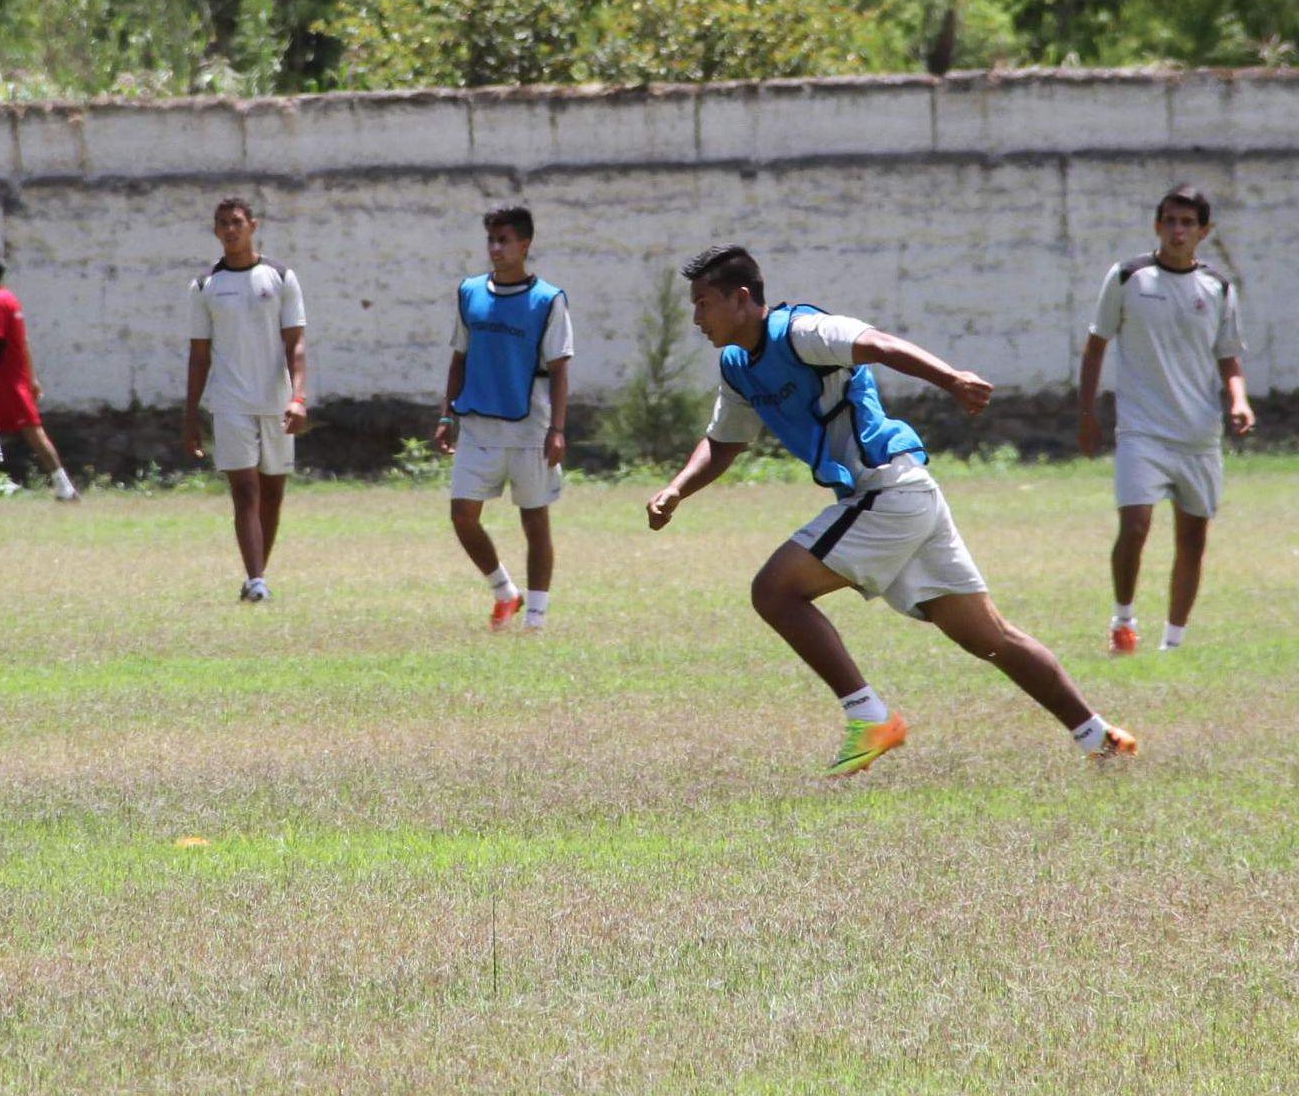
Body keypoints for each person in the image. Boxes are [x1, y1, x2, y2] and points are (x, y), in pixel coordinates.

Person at [647, 245, 1136, 775]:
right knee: (990, 638)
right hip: (900, 495)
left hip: (887, 491)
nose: (696, 318)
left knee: (774, 590)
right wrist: (677, 489)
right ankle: (1099, 736)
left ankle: (869, 716)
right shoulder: (738, 366)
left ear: (741, 299)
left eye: (703, 303)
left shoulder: (801, 331)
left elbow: (876, 344)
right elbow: (723, 442)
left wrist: (950, 379)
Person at [1079, 185, 1253, 655]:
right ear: (1157, 226)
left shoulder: (1217, 287)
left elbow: (1229, 358)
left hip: (1198, 434)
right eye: (1170, 221)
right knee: (1135, 525)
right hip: (1142, 431)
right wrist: (1088, 412)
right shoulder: (1128, 277)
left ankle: (1172, 644)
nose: (1178, 231)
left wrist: (1239, 401)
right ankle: (1123, 621)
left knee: (1192, 539)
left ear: (1204, 231)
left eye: (1188, 223)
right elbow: (1097, 345)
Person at [431, 206, 572, 632]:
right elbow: (459, 358)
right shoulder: (470, 292)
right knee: (462, 515)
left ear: (525, 245)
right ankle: (505, 591)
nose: (496, 248)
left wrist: (558, 429)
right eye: (491, 240)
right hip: (478, 425)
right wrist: (447, 414)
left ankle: (537, 616)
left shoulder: (547, 300)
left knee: (534, 520)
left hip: (530, 428)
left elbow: (561, 368)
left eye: (504, 240)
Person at [183, 198, 307, 603]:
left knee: (273, 492)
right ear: (215, 231)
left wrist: (299, 397)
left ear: (253, 226)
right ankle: (256, 580)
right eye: (222, 224)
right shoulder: (205, 287)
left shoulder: (281, 277)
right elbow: (198, 356)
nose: (230, 230)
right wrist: (190, 415)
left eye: (237, 222)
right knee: (246, 491)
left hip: (276, 402)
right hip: (229, 403)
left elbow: (296, 344)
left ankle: (258, 574)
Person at [0, 254, 79, 502]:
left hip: (10, 385)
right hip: (11, 383)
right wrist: (32, 379)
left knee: (30, 434)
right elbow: (22, 342)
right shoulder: (9, 299)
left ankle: (64, 488)